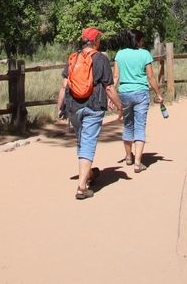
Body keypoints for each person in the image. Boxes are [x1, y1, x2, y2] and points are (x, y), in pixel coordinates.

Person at [57, 27, 123, 200]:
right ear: (96, 41)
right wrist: (119, 106)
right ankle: (81, 187)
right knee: (88, 143)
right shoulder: (100, 59)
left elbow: (64, 85)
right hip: (93, 107)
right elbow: (108, 87)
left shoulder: (74, 57)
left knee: (82, 140)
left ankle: (89, 175)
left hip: (73, 107)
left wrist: (59, 108)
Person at [113, 30, 164, 172]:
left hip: (125, 93)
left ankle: (128, 156)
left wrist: (110, 95)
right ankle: (137, 163)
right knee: (140, 126)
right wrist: (158, 93)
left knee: (128, 125)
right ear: (138, 40)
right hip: (141, 93)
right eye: (142, 39)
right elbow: (151, 77)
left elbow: (115, 77)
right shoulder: (145, 54)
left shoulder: (120, 54)